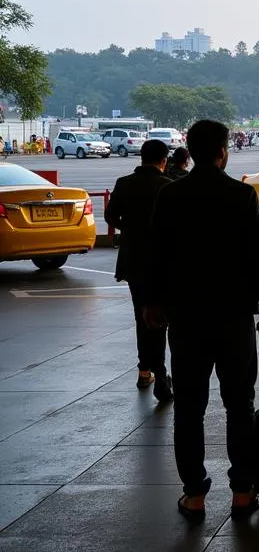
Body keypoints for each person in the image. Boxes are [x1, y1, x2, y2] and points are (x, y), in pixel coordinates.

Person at [143, 119, 259, 521]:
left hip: (186, 318)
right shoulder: (241, 196)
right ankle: (242, 491)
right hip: (234, 316)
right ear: (223, 152)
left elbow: (156, 253)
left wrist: (152, 301)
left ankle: (195, 495)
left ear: (190, 149)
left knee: (189, 408)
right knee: (241, 405)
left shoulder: (171, 195)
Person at [104, 138, 174, 402]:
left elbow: (111, 218)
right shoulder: (168, 186)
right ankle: (160, 371)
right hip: (162, 262)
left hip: (133, 261)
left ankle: (145, 370)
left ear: (141, 158)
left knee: (141, 315)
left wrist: (131, 229)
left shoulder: (124, 184)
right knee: (161, 318)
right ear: (163, 160)